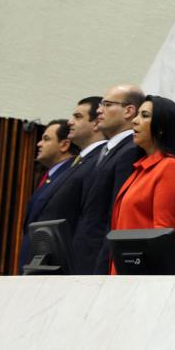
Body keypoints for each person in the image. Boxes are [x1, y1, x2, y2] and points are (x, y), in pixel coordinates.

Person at [110, 96, 175, 274]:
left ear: (161, 128)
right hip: (127, 272)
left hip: (149, 276)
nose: (135, 120)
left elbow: (162, 234)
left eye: (144, 115)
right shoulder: (140, 167)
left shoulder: (171, 168)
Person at [46, 96, 108, 274]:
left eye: (78, 117)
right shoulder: (80, 161)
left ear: (96, 123)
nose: (70, 122)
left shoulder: (98, 160)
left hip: (74, 261)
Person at [88, 84, 146, 273]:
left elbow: (116, 216)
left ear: (129, 111)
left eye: (106, 104)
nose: (99, 110)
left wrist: (102, 266)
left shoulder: (130, 151)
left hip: (99, 259)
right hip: (86, 256)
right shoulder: (108, 151)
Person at [18, 119, 77, 269]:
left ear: (64, 145)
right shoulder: (51, 176)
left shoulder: (70, 176)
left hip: (50, 265)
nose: (39, 144)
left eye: (46, 139)